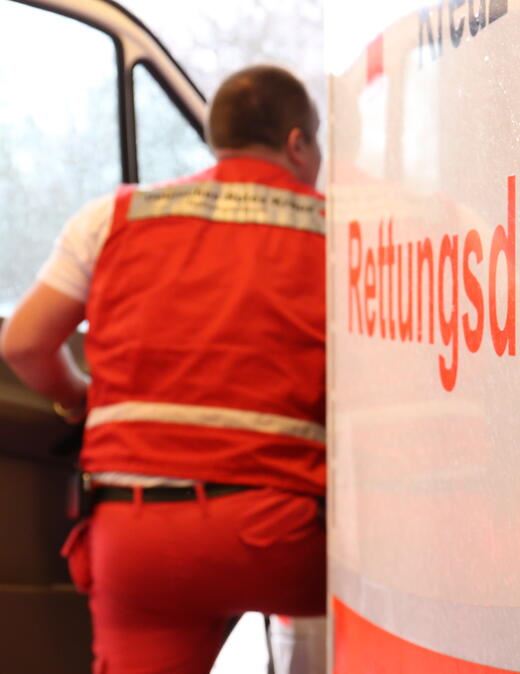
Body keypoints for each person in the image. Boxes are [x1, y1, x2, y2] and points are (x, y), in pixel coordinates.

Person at [0, 65, 326, 674]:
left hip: (141, 536)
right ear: (296, 143)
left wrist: (79, 401)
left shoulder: (117, 217)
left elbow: (23, 344)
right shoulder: (337, 229)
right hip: (283, 537)